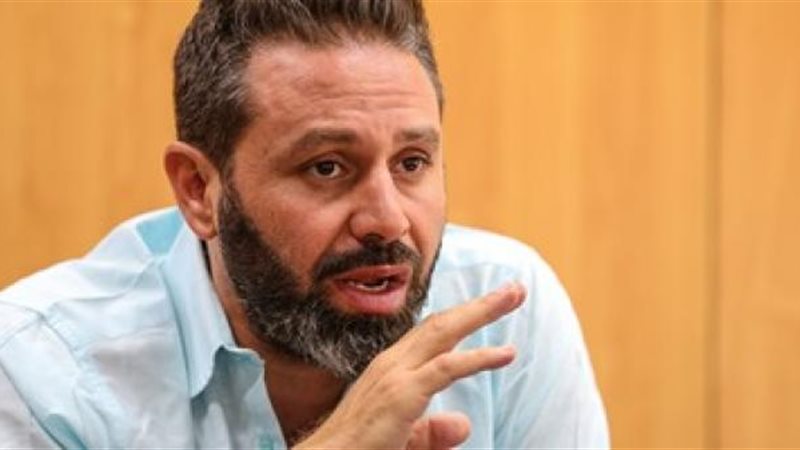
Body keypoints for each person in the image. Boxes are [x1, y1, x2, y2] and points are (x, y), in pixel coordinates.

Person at [0, 1, 608, 448]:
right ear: (199, 190)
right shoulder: (43, 368)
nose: (387, 219)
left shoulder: (504, 311)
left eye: (411, 163)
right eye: (326, 167)